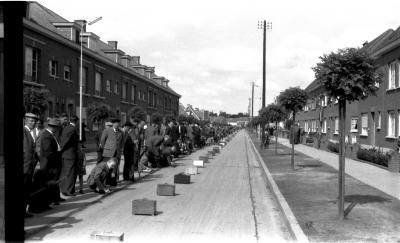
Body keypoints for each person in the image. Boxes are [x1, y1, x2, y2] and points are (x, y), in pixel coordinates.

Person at [29, 118, 63, 213]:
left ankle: (47, 202)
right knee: (46, 184)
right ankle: (44, 203)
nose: (56, 129)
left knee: (49, 184)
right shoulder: (47, 135)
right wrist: (58, 154)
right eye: (56, 127)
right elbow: (49, 153)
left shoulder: (50, 134)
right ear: (53, 127)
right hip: (49, 165)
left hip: (51, 164)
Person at [59, 114, 79, 198]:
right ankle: (69, 191)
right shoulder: (72, 129)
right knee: (71, 173)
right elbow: (65, 141)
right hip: (70, 154)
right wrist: (61, 149)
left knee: (64, 172)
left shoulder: (66, 127)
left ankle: (64, 189)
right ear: (77, 121)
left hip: (65, 154)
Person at [23, 113, 38, 217]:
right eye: (31, 121)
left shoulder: (30, 132)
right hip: (25, 167)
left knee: (26, 190)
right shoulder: (24, 131)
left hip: (29, 167)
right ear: (25, 120)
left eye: (34, 121)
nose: (33, 123)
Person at [100, 118, 123, 186]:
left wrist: (120, 149)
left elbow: (122, 142)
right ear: (113, 124)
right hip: (108, 153)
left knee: (114, 168)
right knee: (107, 168)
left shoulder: (120, 132)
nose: (117, 124)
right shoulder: (107, 130)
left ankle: (113, 182)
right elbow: (102, 140)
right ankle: (104, 182)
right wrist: (106, 148)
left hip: (116, 153)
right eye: (116, 123)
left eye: (118, 123)